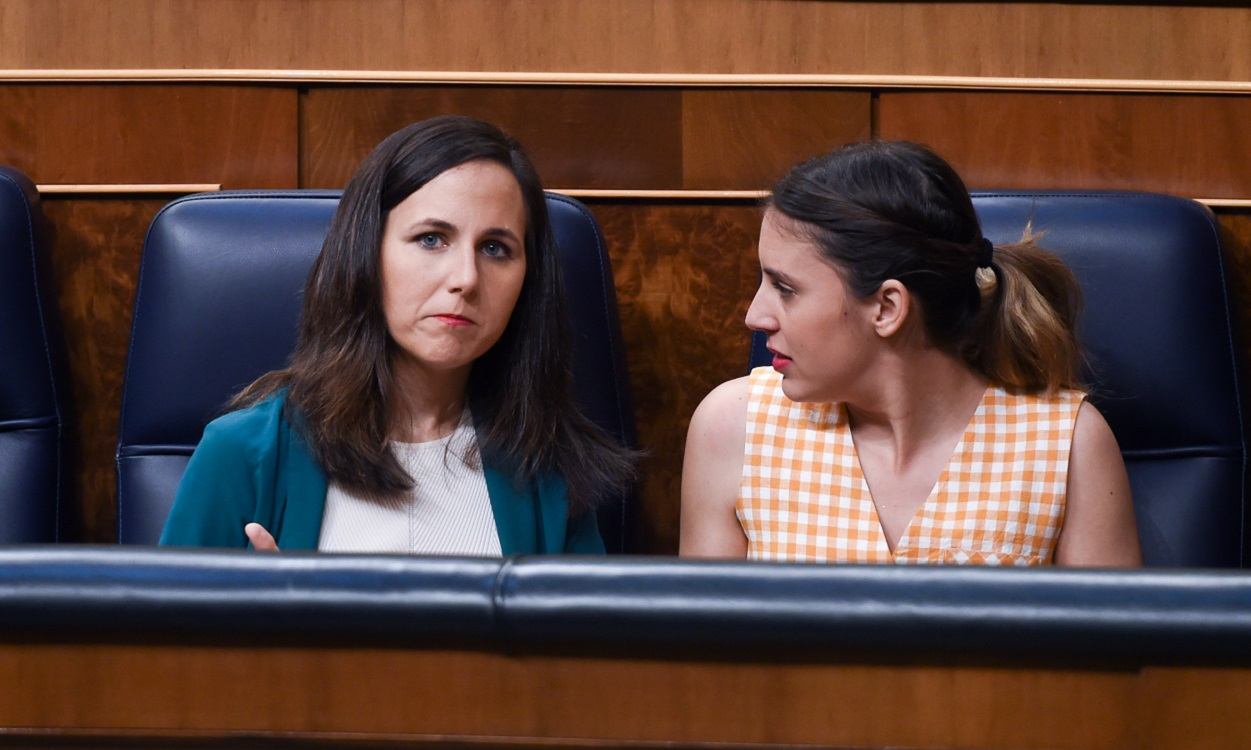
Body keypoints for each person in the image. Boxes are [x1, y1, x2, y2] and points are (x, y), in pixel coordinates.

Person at [161, 115, 634, 554]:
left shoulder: (546, 465)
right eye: (431, 239)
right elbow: (159, 643)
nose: (466, 278)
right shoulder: (243, 452)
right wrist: (263, 635)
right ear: (367, 253)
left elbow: (586, 646)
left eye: (495, 248)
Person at [680, 140, 1140, 567]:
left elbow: (1112, 651)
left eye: (785, 288)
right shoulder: (733, 426)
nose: (755, 317)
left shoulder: (1068, 444)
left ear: (886, 307)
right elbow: (701, 649)